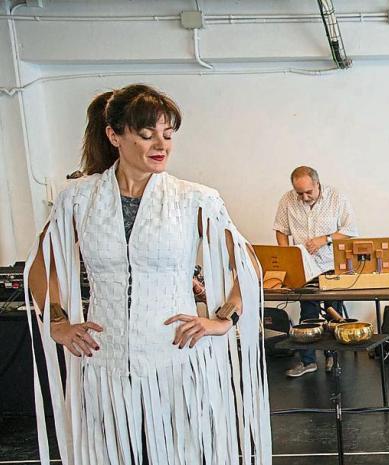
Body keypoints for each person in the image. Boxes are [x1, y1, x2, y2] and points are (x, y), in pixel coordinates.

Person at [25, 84, 271, 465]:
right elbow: (42, 265)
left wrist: (224, 318)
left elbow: (248, 264)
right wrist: (57, 322)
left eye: (167, 135)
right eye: (146, 134)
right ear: (114, 136)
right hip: (105, 366)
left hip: (175, 363)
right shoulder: (78, 199)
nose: (161, 145)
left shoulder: (194, 199)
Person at [273, 166, 357, 376]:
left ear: (317, 184)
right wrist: (286, 257)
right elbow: (281, 230)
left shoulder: (337, 197)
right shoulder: (287, 200)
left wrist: (324, 239)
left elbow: (350, 231)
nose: (304, 197)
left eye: (308, 192)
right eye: (299, 193)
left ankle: (332, 357)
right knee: (308, 315)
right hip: (303, 267)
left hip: (331, 266)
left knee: (333, 313)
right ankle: (308, 361)